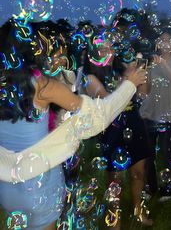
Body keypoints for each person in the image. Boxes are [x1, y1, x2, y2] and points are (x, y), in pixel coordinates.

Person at [0, 18, 146, 230]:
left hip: (7, 187)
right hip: (40, 183)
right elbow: (97, 117)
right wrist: (130, 84)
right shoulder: (42, 85)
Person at [81, 30, 153, 229]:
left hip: (134, 122)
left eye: (110, 47)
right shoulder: (90, 78)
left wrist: (140, 72)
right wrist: (130, 79)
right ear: (92, 53)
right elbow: (108, 103)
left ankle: (138, 211)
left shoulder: (121, 70)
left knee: (139, 172)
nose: (108, 50)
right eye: (102, 47)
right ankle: (115, 220)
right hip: (111, 129)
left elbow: (143, 94)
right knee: (116, 180)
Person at [140, 26, 171, 201]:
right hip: (149, 114)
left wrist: (163, 64)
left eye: (169, 39)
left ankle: (168, 190)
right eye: (161, 39)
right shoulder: (151, 64)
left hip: (170, 116)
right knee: (148, 155)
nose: (165, 42)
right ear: (157, 43)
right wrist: (145, 71)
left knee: (169, 155)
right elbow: (145, 91)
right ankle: (150, 187)